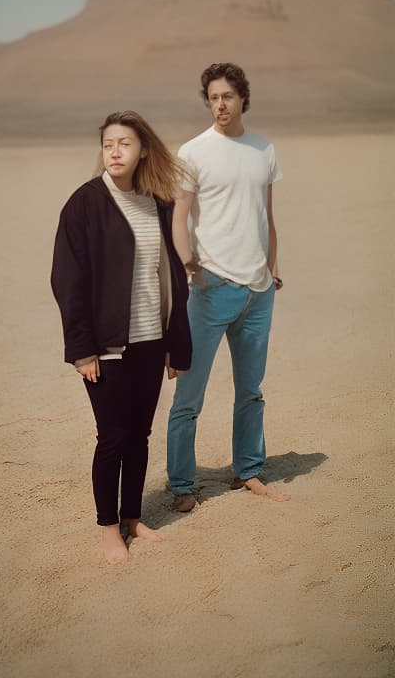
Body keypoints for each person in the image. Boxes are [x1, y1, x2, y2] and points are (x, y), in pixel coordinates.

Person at [51, 111, 192, 563]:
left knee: (140, 435)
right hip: (106, 347)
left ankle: (132, 517)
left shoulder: (158, 203)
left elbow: (171, 278)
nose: (114, 151)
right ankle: (108, 528)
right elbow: (67, 281)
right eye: (108, 143)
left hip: (152, 341)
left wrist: (176, 343)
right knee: (112, 436)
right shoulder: (85, 204)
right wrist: (82, 349)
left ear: (143, 150)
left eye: (124, 143)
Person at [167, 62, 288, 512]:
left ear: (243, 99)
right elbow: (179, 219)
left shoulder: (264, 149)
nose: (220, 104)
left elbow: (268, 218)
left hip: (259, 291)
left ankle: (248, 470)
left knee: (251, 390)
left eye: (228, 97)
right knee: (189, 394)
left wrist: (272, 269)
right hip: (212, 286)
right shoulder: (193, 151)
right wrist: (188, 265)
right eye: (213, 97)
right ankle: (181, 484)